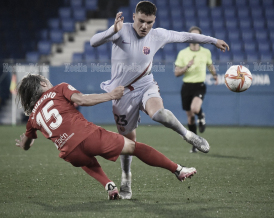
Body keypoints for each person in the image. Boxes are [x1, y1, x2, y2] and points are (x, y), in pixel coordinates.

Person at [90, 1, 229, 199]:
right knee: (128, 143)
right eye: (141, 21)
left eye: (149, 22)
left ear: (154, 20)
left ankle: (187, 135)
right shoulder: (121, 30)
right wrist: (112, 29)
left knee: (159, 113)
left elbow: (186, 36)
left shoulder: (157, 35)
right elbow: (93, 42)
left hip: (145, 84)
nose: (144, 26)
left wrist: (213, 40)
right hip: (121, 93)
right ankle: (126, 180)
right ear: (134, 17)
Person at [15, 74, 197, 200]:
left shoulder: (32, 118)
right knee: (134, 147)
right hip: (88, 136)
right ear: (43, 84)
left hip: (70, 153)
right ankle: (178, 170)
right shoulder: (59, 89)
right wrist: (110, 95)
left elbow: (26, 142)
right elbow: (82, 100)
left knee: (86, 161)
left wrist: (24, 143)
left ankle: (109, 185)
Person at [174, 26, 219, 153]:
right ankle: (195, 144)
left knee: (195, 109)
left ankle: (201, 115)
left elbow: (210, 65)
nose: (195, 38)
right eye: (192, 35)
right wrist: (186, 67)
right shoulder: (183, 53)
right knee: (190, 118)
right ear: (189, 37)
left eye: (197, 36)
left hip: (199, 85)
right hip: (186, 86)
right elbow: (176, 73)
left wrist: (215, 76)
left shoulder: (206, 52)